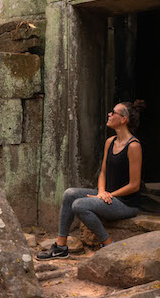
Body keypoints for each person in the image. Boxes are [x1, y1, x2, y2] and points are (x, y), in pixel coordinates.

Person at [37, 100, 145, 260]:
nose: (109, 114)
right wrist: (101, 192)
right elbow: (102, 172)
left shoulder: (134, 146)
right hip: (107, 197)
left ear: (124, 119)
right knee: (69, 194)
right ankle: (61, 247)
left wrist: (109, 195)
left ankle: (108, 244)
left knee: (79, 205)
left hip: (125, 203)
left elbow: (134, 185)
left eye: (113, 112)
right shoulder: (110, 142)